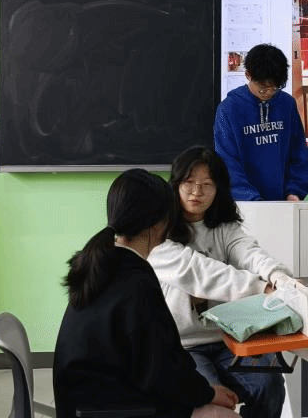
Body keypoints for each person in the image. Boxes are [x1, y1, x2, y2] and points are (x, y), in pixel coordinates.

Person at [53, 169, 239, 418]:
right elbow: (161, 371)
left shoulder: (103, 262)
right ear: (159, 224)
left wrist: (202, 391)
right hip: (112, 409)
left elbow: (155, 360)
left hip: (87, 402)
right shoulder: (135, 279)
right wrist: (207, 393)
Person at [150, 146, 294, 418]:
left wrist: (280, 277)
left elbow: (250, 253)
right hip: (182, 346)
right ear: (176, 185)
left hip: (229, 338)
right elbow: (201, 272)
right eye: (189, 183)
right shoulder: (158, 234)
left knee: (270, 385)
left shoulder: (226, 227)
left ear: (218, 190)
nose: (196, 192)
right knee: (211, 402)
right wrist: (263, 288)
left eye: (207, 184)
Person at [214, 42, 308, 201]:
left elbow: (298, 152)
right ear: (248, 75)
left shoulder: (287, 104)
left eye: (274, 87)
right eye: (263, 87)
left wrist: (294, 191)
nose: (269, 92)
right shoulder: (229, 109)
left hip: (284, 202)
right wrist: (253, 201)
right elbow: (227, 163)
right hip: (244, 204)